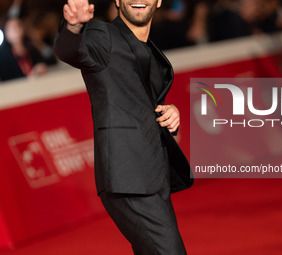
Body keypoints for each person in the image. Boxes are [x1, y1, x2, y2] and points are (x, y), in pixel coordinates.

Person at [54, 0, 193, 254]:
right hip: (127, 177)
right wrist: (74, 26)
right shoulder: (103, 35)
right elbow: (70, 50)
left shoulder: (150, 50)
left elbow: (143, 102)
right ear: (117, 1)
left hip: (152, 175)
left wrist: (170, 111)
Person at [0, 17, 48, 81]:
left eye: (18, 26)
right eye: (12, 28)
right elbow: (7, 80)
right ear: (5, 32)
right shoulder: (2, 56)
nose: (16, 30)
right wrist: (31, 76)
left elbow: (49, 62)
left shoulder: (31, 49)